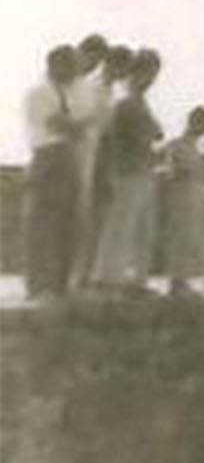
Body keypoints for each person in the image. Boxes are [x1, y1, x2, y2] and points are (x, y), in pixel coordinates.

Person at [92, 49, 165, 294]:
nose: (152, 79)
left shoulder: (141, 103)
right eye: (148, 73)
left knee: (142, 229)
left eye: (154, 74)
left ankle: (136, 280)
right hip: (127, 172)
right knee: (121, 226)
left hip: (143, 171)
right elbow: (143, 136)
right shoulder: (125, 103)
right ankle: (108, 278)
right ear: (137, 72)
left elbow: (156, 132)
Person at [22, 45, 84, 299]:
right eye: (72, 65)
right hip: (48, 154)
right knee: (43, 222)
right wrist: (80, 125)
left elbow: (72, 127)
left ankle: (58, 283)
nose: (76, 72)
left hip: (67, 155)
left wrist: (76, 127)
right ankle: (39, 284)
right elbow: (59, 124)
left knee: (66, 222)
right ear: (56, 65)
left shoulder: (66, 94)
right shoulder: (39, 92)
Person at [67, 34, 112, 289]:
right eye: (91, 58)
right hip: (68, 154)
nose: (93, 65)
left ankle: (79, 276)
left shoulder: (87, 86)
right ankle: (67, 277)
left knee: (82, 217)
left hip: (88, 155)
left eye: (97, 61)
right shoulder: (69, 84)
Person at [160, 106, 204, 297]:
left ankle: (182, 280)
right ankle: (176, 282)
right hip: (180, 198)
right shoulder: (175, 145)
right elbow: (171, 172)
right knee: (179, 239)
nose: (202, 130)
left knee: (190, 240)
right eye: (200, 123)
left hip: (195, 198)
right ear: (191, 121)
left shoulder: (197, 148)